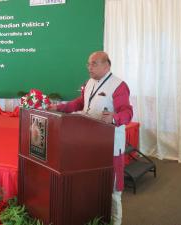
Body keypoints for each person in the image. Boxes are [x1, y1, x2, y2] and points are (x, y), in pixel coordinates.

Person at [49, 51, 133, 225]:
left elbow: (127, 112)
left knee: (113, 189)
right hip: (88, 143)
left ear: (107, 65)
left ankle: (116, 221)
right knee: (91, 184)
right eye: (88, 64)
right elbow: (81, 104)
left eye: (94, 63)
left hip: (109, 146)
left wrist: (115, 118)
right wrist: (60, 107)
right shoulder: (89, 83)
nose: (89, 67)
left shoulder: (119, 86)